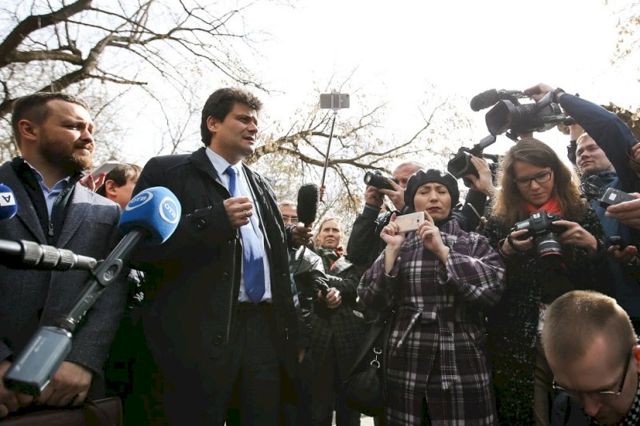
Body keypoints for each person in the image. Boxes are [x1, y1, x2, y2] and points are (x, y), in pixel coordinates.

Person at [129, 88, 300, 425]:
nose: (254, 127)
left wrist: (294, 332)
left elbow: (277, 263)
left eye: (256, 122)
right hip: (195, 337)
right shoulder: (168, 172)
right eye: (243, 119)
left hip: (263, 335)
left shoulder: (262, 185)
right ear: (213, 123)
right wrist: (211, 221)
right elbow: (140, 250)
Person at [0, 92, 126, 418]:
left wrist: (83, 360)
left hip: (67, 396)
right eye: (74, 126)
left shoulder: (107, 211)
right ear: (29, 129)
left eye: (91, 129)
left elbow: (113, 288)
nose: (88, 137)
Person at [358, 169, 505, 425]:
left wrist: (442, 251)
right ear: (413, 201)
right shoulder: (398, 242)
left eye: (442, 191)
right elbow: (368, 298)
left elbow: (493, 288)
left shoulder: (473, 242)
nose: (434, 197)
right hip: (405, 360)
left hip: (462, 361)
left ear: (452, 199)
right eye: (424, 192)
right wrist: (391, 251)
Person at [482, 138, 609, 425]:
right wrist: (506, 251)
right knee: (529, 414)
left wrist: (592, 245)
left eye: (542, 175)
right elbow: (485, 277)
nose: (535, 186)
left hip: (576, 328)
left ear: (556, 172)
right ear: (513, 183)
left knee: (585, 410)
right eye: (525, 180)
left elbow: (603, 282)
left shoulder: (579, 212)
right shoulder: (500, 220)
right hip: (518, 335)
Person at [525, 83, 640, 333]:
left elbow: (610, 127)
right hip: (597, 318)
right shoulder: (575, 201)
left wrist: (559, 96)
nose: (584, 154)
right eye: (579, 151)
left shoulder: (629, 182)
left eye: (593, 148)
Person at [541, 290, 640, 426]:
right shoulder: (564, 411)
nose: (590, 410)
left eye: (603, 391)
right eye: (572, 391)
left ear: (637, 359)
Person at [310, 217, 364, 426]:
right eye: (326, 230)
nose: (331, 233)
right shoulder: (308, 256)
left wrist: (324, 282)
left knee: (349, 410)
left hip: (348, 341)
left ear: (341, 236)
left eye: (335, 230)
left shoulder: (352, 261)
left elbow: (356, 285)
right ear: (318, 235)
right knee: (318, 409)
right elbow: (304, 283)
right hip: (317, 340)